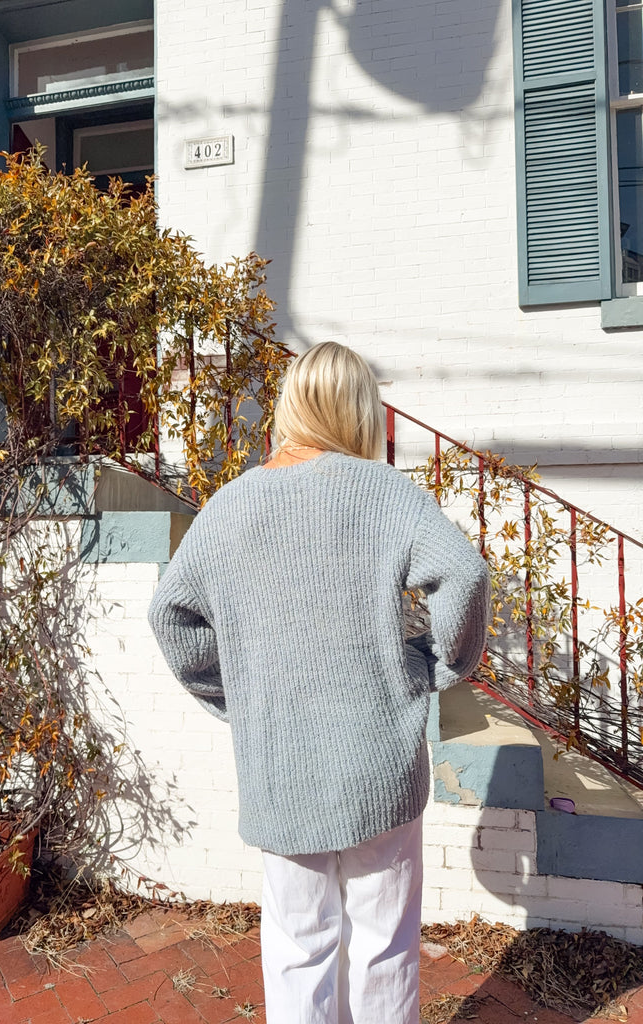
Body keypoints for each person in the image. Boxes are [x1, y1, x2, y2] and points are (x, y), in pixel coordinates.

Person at [148, 341, 490, 1024]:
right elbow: (464, 574)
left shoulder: (229, 507)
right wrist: (434, 667)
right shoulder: (385, 492)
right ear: (359, 410)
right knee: (384, 945)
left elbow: (170, 616)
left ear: (290, 407)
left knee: (297, 946)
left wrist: (239, 696)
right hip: (378, 762)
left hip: (280, 764)